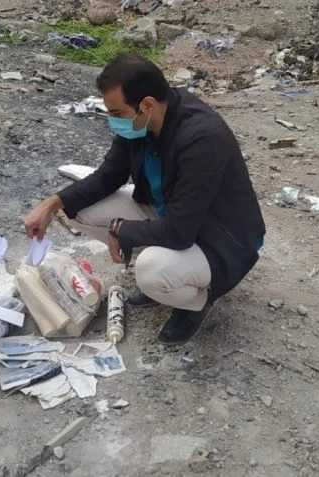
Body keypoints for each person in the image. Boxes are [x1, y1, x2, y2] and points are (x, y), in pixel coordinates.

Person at [23, 53, 265, 344]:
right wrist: (51, 204)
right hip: (174, 213)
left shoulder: (202, 137)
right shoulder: (142, 123)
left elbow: (181, 230)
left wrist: (122, 230)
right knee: (80, 210)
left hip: (220, 237)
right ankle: (172, 273)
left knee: (150, 270)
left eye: (116, 113)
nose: (112, 121)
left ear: (147, 104)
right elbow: (108, 175)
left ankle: (197, 301)